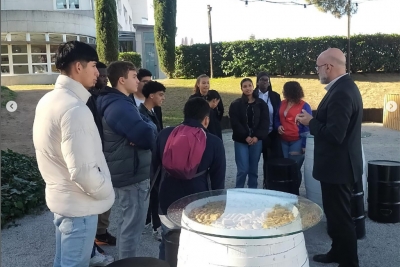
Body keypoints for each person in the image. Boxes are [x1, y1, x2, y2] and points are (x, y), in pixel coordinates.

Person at [32, 40, 115, 267]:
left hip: (63, 201)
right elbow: (83, 172)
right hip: (79, 207)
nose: (98, 73)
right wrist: (107, 189)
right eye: (94, 66)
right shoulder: (75, 109)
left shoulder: (48, 100)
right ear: (79, 67)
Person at [296, 48, 362, 267]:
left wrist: (310, 122)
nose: (317, 71)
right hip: (337, 167)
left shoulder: (342, 92)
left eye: (317, 67)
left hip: (338, 168)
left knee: (342, 218)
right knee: (335, 217)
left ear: (328, 67)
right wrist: (314, 119)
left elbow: (335, 134)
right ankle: (337, 251)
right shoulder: (343, 87)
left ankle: (350, 262)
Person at [96, 61, 157, 260]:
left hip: (129, 171)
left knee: (127, 224)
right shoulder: (119, 105)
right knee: (131, 227)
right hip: (132, 175)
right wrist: (146, 131)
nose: (138, 81)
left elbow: (148, 127)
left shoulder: (123, 102)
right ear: (122, 80)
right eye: (134, 76)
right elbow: (147, 136)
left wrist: (146, 129)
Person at [152, 97, 226, 260]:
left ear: (184, 114)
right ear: (206, 119)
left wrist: (159, 197)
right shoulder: (214, 142)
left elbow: (154, 173)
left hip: (167, 199)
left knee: (168, 243)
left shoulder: (164, 135)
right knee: (197, 246)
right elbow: (218, 183)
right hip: (198, 202)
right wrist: (218, 210)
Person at [229, 78, 269, 189]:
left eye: (249, 85)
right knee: (243, 169)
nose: (248, 88)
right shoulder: (235, 104)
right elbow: (235, 123)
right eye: (245, 86)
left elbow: (265, 122)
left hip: (256, 140)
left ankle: (253, 192)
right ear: (241, 88)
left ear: (253, 86)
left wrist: (257, 136)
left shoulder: (261, 104)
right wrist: (245, 136)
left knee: (253, 169)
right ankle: (239, 191)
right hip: (241, 140)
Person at [139, 80, 166, 240]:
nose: (163, 98)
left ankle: (151, 222)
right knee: (154, 192)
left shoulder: (153, 112)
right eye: (161, 95)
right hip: (148, 160)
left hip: (155, 158)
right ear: (151, 95)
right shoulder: (140, 114)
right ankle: (156, 226)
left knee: (156, 192)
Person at [275, 81, 311, 190]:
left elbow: (307, 127)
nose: (283, 92)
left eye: (285, 90)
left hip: (297, 141)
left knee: (294, 167)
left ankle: (295, 191)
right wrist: (278, 126)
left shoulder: (304, 105)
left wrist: (304, 144)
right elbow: (277, 118)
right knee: (285, 167)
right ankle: (287, 190)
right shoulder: (282, 103)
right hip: (283, 140)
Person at [254, 72, 282, 188]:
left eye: (267, 80)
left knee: (270, 160)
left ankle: (268, 184)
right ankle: (253, 185)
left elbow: (278, 113)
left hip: (272, 134)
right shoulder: (253, 94)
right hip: (257, 134)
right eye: (262, 80)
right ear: (257, 81)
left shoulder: (275, 96)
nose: (264, 82)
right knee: (254, 161)